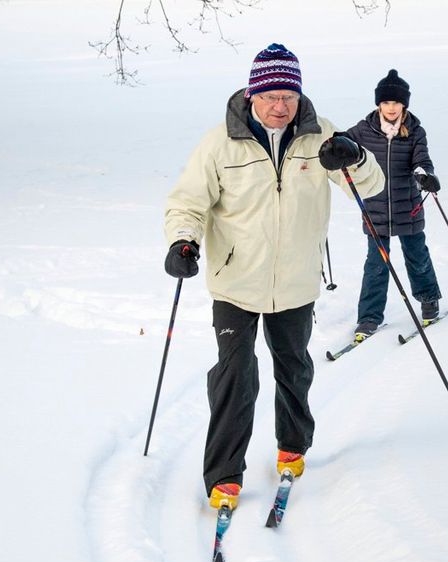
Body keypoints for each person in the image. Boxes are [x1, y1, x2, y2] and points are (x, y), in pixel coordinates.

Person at [162, 43, 384, 511]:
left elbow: (370, 187)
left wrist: (356, 158)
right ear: (252, 94)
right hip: (236, 281)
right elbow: (188, 201)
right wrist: (184, 241)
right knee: (235, 374)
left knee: (294, 368)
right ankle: (224, 474)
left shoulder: (320, 135)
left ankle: (292, 445)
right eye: (271, 97)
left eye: (289, 96)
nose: (280, 106)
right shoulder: (219, 143)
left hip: (296, 281)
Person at [346, 69, 442, 340]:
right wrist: (334, 146)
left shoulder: (414, 131)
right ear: (379, 104)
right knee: (375, 265)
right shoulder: (364, 130)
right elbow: (345, 141)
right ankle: (369, 317)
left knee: (417, 256)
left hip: (407, 206)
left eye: (396, 103)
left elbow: (421, 158)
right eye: (386, 102)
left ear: (404, 105)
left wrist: (425, 175)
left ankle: (429, 300)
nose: (391, 108)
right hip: (375, 208)